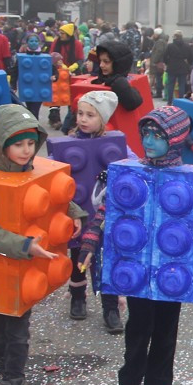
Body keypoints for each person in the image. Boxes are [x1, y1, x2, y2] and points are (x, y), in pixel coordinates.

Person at [77, 105, 193, 385]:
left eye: (157, 135)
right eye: (146, 133)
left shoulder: (191, 184)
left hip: (175, 271)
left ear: (174, 139)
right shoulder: (129, 175)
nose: (148, 140)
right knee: (138, 326)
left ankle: (160, 383)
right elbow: (105, 215)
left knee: (166, 328)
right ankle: (129, 380)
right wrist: (89, 246)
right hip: (136, 268)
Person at [0, 104, 86, 385]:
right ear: (1, 144)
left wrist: (74, 212)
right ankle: (5, 369)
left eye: (31, 143)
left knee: (17, 331)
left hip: (24, 270)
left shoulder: (30, 168)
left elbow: (49, 194)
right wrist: (23, 245)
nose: (26, 150)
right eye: (18, 144)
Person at [60, 91, 134, 333]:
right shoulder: (69, 144)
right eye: (80, 113)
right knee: (77, 258)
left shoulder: (114, 145)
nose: (82, 119)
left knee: (108, 260)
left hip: (106, 218)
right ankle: (78, 296)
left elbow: (133, 164)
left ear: (102, 119)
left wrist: (116, 172)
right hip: (78, 215)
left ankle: (110, 307)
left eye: (90, 115)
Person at [163, 30, 193, 105]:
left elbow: (165, 56)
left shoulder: (170, 46)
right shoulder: (187, 46)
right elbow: (191, 57)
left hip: (172, 66)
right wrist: (188, 64)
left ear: (174, 37)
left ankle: (169, 101)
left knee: (171, 85)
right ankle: (181, 101)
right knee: (182, 84)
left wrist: (168, 63)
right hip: (182, 66)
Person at [150, 30, 168, 99]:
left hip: (158, 63)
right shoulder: (163, 41)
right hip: (161, 62)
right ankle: (159, 92)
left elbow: (159, 52)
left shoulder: (160, 42)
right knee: (159, 78)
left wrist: (154, 61)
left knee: (158, 78)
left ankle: (158, 92)